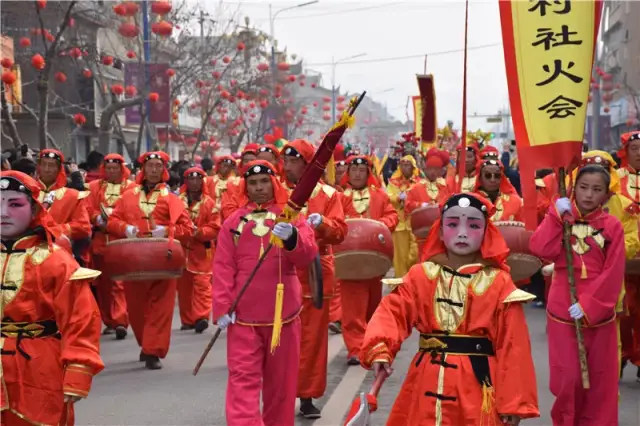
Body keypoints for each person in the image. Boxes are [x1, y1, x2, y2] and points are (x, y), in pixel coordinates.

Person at [361, 192, 539, 425]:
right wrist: (380, 348)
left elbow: (514, 345)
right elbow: (391, 313)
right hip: (426, 378)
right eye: (453, 224)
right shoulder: (421, 276)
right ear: (441, 232)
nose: (463, 232)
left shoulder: (498, 283)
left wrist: (513, 403)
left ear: (486, 232)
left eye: (473, 225)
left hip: (477, 384)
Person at [212, 160, 318, 426]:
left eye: (263, 182)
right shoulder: (232, 222)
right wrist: (222, 308)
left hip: (284, 316)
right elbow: (223, 267)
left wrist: (293, 237)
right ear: (245, 186)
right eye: (253, 183)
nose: (259, 188)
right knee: (242, 382)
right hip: (243, 318)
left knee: (281, 387)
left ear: (274, 183)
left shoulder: (291, 215)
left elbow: (307, 255)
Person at [0, 171, 104, 425]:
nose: (3, 213)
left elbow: (81, 319)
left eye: (15, 204)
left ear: (34, 208)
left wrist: (78, 372)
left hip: (40, 367)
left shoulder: (55, 260)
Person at [530, 165, 625, 426]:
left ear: (606, 195)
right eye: (583, 187)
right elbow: (541, 249)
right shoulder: (562, 217)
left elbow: (614, 271)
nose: (588, 195)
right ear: (573, 189)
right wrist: (554, 217)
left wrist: (590, 305)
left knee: (599, 379)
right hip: (563, 308)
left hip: (599, 311)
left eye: (597, 190)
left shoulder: (612, 226)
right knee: (568, 377)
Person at [106, 151, 193, 370]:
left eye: (157, 166)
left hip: (163, 259)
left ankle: (153, 350)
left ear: (163, 169)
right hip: (133, 260)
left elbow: (188, 229)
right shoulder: (127, 196)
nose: (153, 170)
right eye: (149, 166)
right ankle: (146, 343)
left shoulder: (171, 199)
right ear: (143, 169)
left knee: (161, 308)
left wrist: (167, 230)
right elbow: (112, 221)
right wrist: (125, 228)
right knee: (135, 308)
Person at [281, 139, 347, 418]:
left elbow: (341, 232)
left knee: (312, 339)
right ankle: (280, 394)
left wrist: (325, 224)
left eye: (293, 161)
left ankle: (307, 396)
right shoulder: (274, 192)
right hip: (282, 271)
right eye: (284, 160)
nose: (286, 166)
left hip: (317, 271)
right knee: (281, 337)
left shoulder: (330, 195)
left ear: (308, 164)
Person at [339, 155, 399, 365]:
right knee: (352, 307)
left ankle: (372, 341)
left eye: (361, 170)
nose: (357, 174)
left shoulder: (380, 196)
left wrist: (377, 226)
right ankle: (355, 348)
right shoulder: (339, 197)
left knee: (373, 305)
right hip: (348, 260)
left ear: (368, 173)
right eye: (353, 170)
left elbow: (392, 216)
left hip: (374, 258)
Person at [87, 153, 134, 339]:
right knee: (104, 284)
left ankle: (120, 320)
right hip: (100, 241)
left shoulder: (131, 188)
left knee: (119, 283)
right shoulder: (93, 187)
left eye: (115, 168)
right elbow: (87, 208)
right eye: (108, 168)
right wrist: (97, 217)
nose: (112, 171)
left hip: (122, 240)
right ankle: (109, 320)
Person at [177, 167, 220, 333]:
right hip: (181, 249)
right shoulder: (177, 201)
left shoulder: (210, 204)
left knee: (202, 284)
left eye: (198, 179)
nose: (194, 183)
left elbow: (215, 227)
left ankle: (201, 317)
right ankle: (187, 320)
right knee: (184, 287)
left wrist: (200, 232)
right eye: (190, 179)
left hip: (202, 250)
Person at [616, 130, 640, 379]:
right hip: (625, 253)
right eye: (635, 148)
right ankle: (622, 354)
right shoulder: (615, 179)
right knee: (624, 309)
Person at [35, 149, 92, 251]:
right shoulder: (27, 192)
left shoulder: (73, 196)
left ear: (59, 168)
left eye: (51, 165)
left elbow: (83, 227)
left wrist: (55, 230)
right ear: (38, 166)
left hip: (59, 250)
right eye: (43, 164)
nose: (47, 169)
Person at [386, 155, 421, 278]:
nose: (405, 168)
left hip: (415, 224)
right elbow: (387, 197)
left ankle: (413, 282)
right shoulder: (393, 182)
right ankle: (400, 286)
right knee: (400, 258)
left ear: (413, 167)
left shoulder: (419, 183)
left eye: (408, 165)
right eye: (403, 165)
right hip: (399, 225)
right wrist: (397, 198)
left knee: (415, 255)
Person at [220, 143, 259, 221]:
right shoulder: (232, 184)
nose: (249, 163)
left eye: (252, 160)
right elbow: (228, 212)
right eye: (246, 160)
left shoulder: (269, 183)